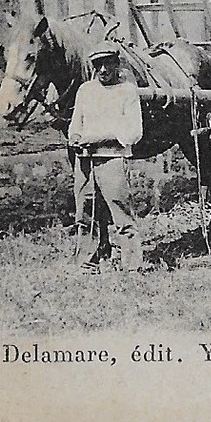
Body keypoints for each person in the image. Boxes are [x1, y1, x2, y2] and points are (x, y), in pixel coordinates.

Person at [68, 43, 144, 271]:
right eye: (97, 65)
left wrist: (100, 138)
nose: (103, 70)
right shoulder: (85, 91)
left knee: (121, 214)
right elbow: (75, 123)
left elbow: (134, 132)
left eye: (107, 64)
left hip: (111, 159)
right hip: (84, 162)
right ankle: (86, 264)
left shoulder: (127, 91)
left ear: (116, 64)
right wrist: (75, 137)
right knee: (85, 215)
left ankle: (132, 266)